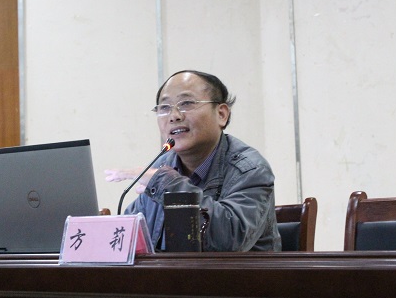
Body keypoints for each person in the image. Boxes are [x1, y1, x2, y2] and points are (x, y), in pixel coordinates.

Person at [105, 70, 281, 252]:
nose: (174, 116)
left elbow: (230, 241)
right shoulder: (161, 166)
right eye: (164, 107)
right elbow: (128, 238)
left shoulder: (250, 169)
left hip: (235, 271)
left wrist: (167, 185)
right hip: (171, 271)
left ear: (221, 114)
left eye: (186, 103)